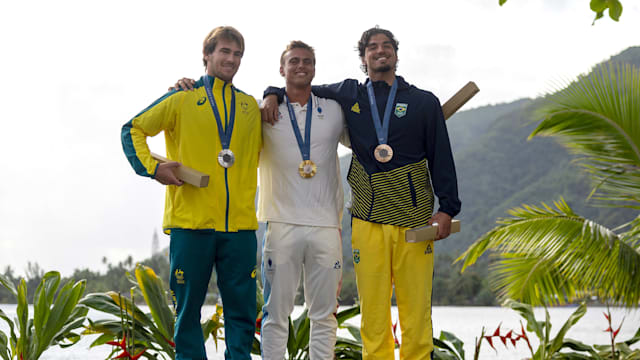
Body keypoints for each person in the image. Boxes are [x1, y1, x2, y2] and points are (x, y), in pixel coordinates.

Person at [262, 27, 461, 360]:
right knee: (373, 314)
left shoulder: (424, 102)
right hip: (367, 220)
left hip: (415, 220)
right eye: (372, 47)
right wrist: (271, 92)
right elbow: (300, 87)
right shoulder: (349, 94)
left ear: (396, 54)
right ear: (363, 57)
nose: (380, 51)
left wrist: (448, 208)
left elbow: (442, 156)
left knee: (416, 313)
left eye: (386, 46)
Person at [173, 40, 349, 360]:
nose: (300, 66)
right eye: (293, 61)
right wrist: (187, 87)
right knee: (275, 314)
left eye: (307, 61)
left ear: (314, 68)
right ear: (281, 69)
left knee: (324, 315)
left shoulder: (335, 110)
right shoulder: (260, 111)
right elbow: (219, 118)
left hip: (326, 225)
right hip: (279, 224)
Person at [121, 26, 262, 360]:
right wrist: (153, 169)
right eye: (224, 51)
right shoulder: (182, 97)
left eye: (237, 54)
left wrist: (271, 98)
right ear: (207, 55)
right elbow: (133, 129)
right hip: (191, 224)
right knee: (187, 316)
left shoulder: (251, 108)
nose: (231, 59)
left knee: (242, 316)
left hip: (240, 228)